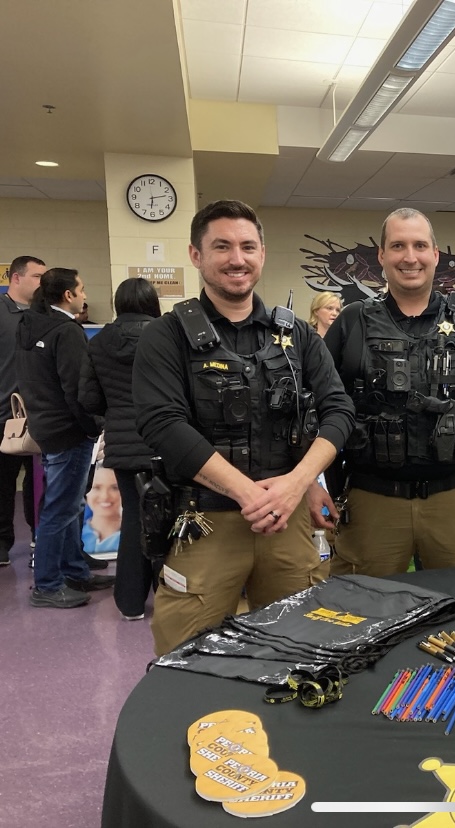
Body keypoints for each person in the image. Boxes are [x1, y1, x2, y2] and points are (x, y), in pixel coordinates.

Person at [133, 200, 355, 655]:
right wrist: (247, 493)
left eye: (247, 246)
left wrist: (299, 483)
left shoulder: (297, 335)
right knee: (186, 658)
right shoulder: (166, 335)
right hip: (204, 522)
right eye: (222, 246)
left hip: (286, 521)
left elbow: (338, 410)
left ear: (262, 253)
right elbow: (163, 424)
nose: (237, 258)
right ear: (196, 255)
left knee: (302, 652)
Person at [324, 208, 455, 576]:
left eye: (419, 245)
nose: (409, 257)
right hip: (372, 502)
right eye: (398, 246)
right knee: (364, 613)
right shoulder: (352, 321)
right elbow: (320, 405)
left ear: (435, 254)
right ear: (381, 256)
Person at [16, 267, 113, 608]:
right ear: (68, 295)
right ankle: (47, 584)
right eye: (82, 289)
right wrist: (95, 425)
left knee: (67, 506)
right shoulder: (66, 332)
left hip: (46, 425)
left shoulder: (29, 324)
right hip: (69, 430)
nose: (85, 296)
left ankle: (75, 570)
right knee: (60, 509)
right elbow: (78, 389)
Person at [78, 276, 163, 620]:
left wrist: (113, 414)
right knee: (169, 520)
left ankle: (129, 604)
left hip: (124, 446)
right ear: (151, 302)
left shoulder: (98, 342)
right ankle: (171, 596)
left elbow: (88, 398)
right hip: (165, 444)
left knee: (133, 521)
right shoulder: (165, 335)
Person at [0, 255, 44, 566]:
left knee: (39, 480)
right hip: (4, 415)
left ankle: (39, 537)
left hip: (40, 416)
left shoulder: (41, 317)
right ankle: (2, 541)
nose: (43, 283)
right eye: (37, 277)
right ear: (16, 278)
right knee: (3, 481)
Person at [82, 465, 121, 554]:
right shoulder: (73, 537)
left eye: (114, 488)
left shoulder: (134, 537)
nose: (105, 496)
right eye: (96, 488)